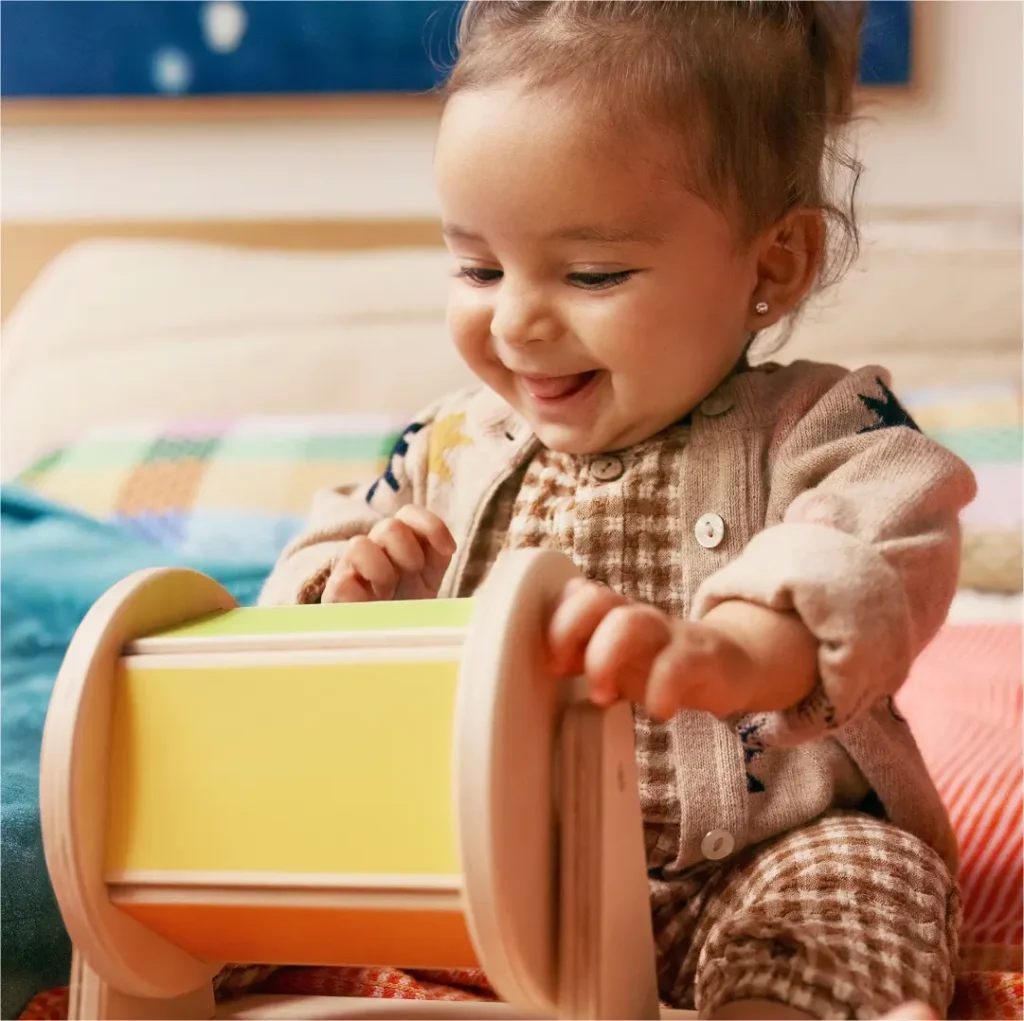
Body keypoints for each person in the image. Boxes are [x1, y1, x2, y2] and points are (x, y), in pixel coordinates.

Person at [262, 3, 976, 1017]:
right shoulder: (447, 448)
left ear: (773, 265)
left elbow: (893, 520)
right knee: (289, 872)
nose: (514, 319)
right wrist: (354, 594)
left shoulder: (823, 421)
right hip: (503, 879)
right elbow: (312, 559)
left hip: (761, 864)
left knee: (872, 879)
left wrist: (745, 646)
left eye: (591, 273)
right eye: (476, 266)